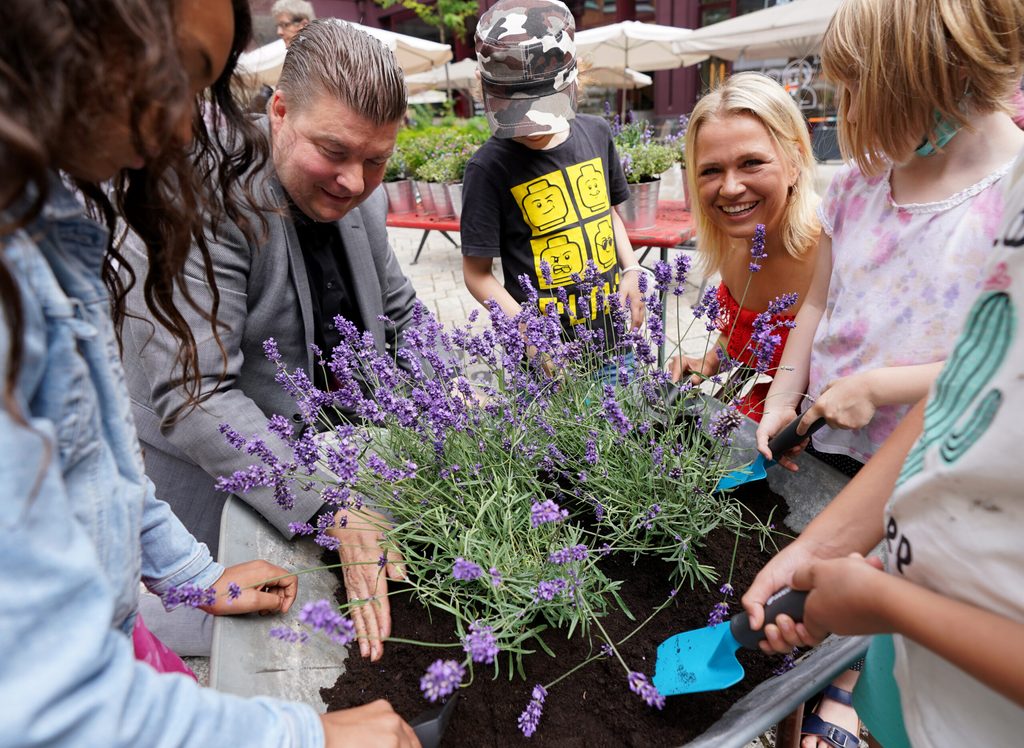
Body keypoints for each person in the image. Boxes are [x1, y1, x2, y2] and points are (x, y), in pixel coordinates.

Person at [0, 0, 416, 745]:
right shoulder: (203, 194)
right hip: (230, 498)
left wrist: (188, 573)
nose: (189, 127)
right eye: (177, 75)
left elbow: (94, 459)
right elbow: (43, 697)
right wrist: (306, 737)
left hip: (145, 591)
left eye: (377, 160)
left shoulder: (52, 224)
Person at [751, 0, 1024, 745]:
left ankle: (836, 698)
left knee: (852, 642)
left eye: (856, 91)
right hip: (842, 460)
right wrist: (782, 401)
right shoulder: (859, 185)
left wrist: (882, 387)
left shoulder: (1002, 198)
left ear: (927, 81)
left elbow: (983, 375)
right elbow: (816, 309)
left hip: (914, 482)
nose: (844, 113)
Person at [121, 19, 420, 664]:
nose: (354, 181)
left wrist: (470, 414)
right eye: (334, 152)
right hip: (207, 505)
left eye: (376, 160)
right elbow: (198, 395)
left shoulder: (363, 192)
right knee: (237, 659)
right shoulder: (205, 193)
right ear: (279, 110)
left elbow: (400, 314)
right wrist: (329, 506)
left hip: (333, 473)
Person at [460, 0, 645, 371]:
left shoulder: (597, 133)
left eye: (542, 109)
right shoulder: (487, 167)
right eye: (517, 114)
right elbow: (476, 273)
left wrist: (632, 270)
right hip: (544, 356)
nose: (531, 126)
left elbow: (606, 213)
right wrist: (530, 335)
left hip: (612, 337)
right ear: (484, 90)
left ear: (575, 79)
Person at [666, 71, 820, 421]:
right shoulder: (735, 248)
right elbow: (746, 341)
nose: (730, 188)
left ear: (794, 161)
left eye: (751, 163)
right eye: (710, 171)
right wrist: (709, 360)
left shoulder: (833, 247)